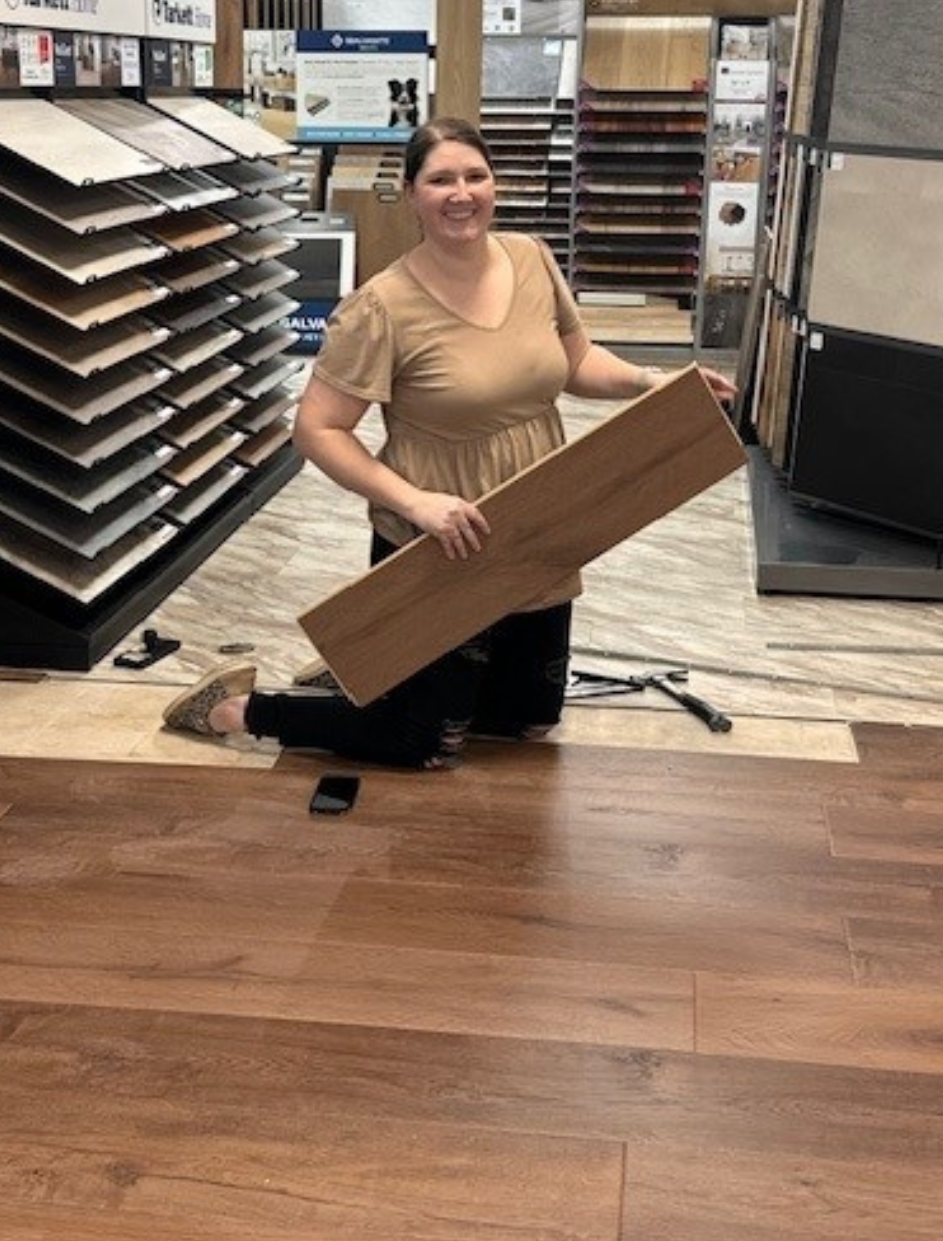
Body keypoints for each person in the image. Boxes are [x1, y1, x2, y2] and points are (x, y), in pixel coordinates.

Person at [161, 116, 737, 770]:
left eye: (475, 175)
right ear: (411, 194)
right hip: (438, 535)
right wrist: (415, 503)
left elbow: (575, 362)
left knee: (526, 722)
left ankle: (381, 668)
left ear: (495, 184)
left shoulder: (531, 259)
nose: (461, 193)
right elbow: (317, 428)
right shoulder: (380, 307)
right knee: (427, 743)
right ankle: (235, 708)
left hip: (535, 520)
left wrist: (650, 381)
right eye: (440, 180)